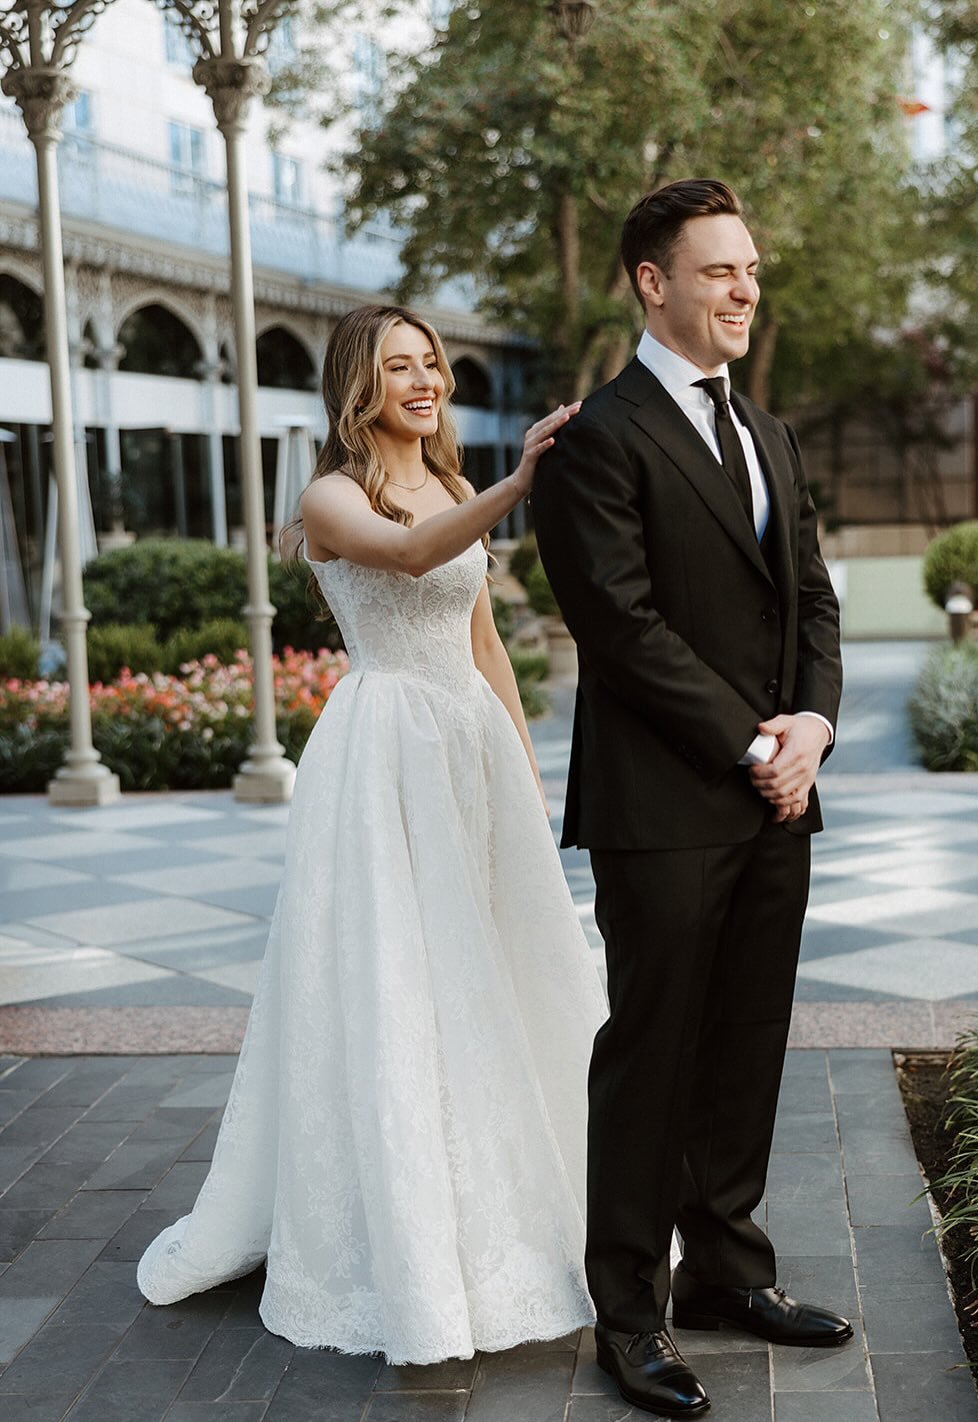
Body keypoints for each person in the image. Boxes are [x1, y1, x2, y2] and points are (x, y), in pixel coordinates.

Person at [137, 303, 607, 1365]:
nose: (424, 379)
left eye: (431, 362)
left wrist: (525, 784)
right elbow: (403, 560)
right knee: (405, 980)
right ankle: (406, 1239)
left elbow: (481, 636)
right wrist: (518, 482)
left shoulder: (448, 482)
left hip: (465, 747)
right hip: (384, 751)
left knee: (490, 968)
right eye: (400, 365)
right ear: (360, 382)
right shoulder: (328, 495)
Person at [531, 179, 848, 1419]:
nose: (743, 291)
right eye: (719, 271)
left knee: (743, 1045)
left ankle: (727, 1274)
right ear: (651, 283)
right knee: (650, 1057)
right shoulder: (595, 438)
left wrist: (810, 729)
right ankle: (628, 1314)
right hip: (664, 804)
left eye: (751, 271)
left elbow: (808, 598)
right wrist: (748, 745)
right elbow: (619, 626)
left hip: (776, 796)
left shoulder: (766, 430)